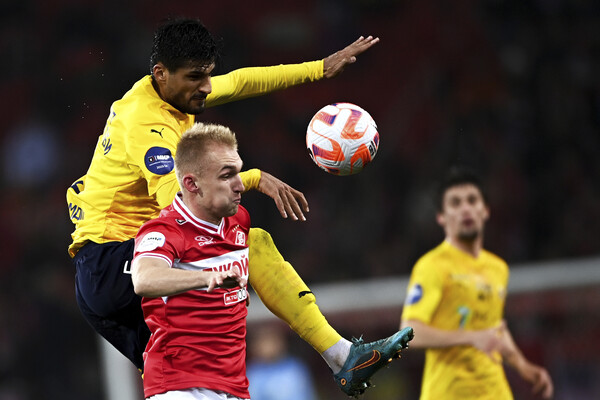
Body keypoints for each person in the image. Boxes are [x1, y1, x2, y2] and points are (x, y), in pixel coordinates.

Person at [66, 18, 413, 397]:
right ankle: (342, 355)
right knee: (252, 243)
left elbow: (242, 81)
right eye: (196, 77)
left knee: (191, 384)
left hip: (109, 277)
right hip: (113, 264)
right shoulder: (148, 127)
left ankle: (345, 358)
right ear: (161, 73)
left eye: (208, 75)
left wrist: (320, 68)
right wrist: (251, 178)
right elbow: (181, 204)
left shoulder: (170, 92)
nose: (206, 87)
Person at [131, 122, 411, 399]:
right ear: (192, 184)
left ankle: (339, 353)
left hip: (233, 387)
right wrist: (206, 277)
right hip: (180, 388)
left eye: (238, 172)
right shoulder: (165, 230)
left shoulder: (237, 223)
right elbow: (144, 278)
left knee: (260, 240)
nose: (240, 185)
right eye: (227, 176)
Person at [400, 166, 554, 399]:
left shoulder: (498, 268)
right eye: (455, 203)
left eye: (472, 201)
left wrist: (523, 365)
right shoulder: (431, 266)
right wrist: (471, 337)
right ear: (441, 217)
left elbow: (494, 328)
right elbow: (409, 333)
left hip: (495, 392)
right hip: (448, 393)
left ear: (486, 210)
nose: (466, 209)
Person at [246, 324, 317, 400]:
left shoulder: (296, 368)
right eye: (263, 340)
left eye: (272, 339)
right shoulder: (252, 373)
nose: (268, 345)